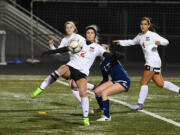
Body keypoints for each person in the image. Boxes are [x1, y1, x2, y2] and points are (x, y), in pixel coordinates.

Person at [31, 23, 115, 126]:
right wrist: (50, 51)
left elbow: (106, 54)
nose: (89, 34)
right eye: (88, 33)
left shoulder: (97, 47)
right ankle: (41, 88)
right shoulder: (80, 42)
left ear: (94, 35)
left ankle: (85, 119)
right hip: (71, 67)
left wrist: (116, 56)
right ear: (86, 34)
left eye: (92, 33)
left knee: (83, 93)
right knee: (62, 68)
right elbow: (65, 49)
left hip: (82, 73)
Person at [113, 17, 180, 110]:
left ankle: (140, 104)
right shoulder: (140, 36)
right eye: (141, 24)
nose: (143, 26)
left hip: (153, 61)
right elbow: (132, 42)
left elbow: (166, 42)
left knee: (143, 82)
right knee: (160, 83)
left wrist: (159, 42)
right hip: (153, 62)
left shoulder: (152, 35)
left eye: (145, 24)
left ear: (148, 25)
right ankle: (179, 90)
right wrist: (120, 42)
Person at [91, 44, 130, 121]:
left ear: (106, 50)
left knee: (104, 93)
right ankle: (102, 108)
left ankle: (107, 117)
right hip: (115, 80)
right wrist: (98, 86)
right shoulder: (102, 64)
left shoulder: (111, 58)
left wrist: (115, 54)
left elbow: (122, 56)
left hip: (123, 80)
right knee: (97, 91)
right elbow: (105, 79)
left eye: (102, 49)